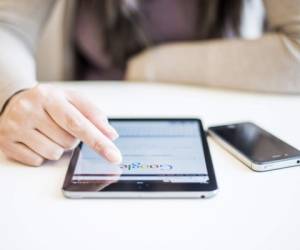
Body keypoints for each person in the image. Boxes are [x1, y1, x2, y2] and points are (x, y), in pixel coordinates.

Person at [0, 0, 299, 166]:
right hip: (81, 133)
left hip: (221, 118)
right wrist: (13, 93)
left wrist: (147, 67)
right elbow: (8, 26)